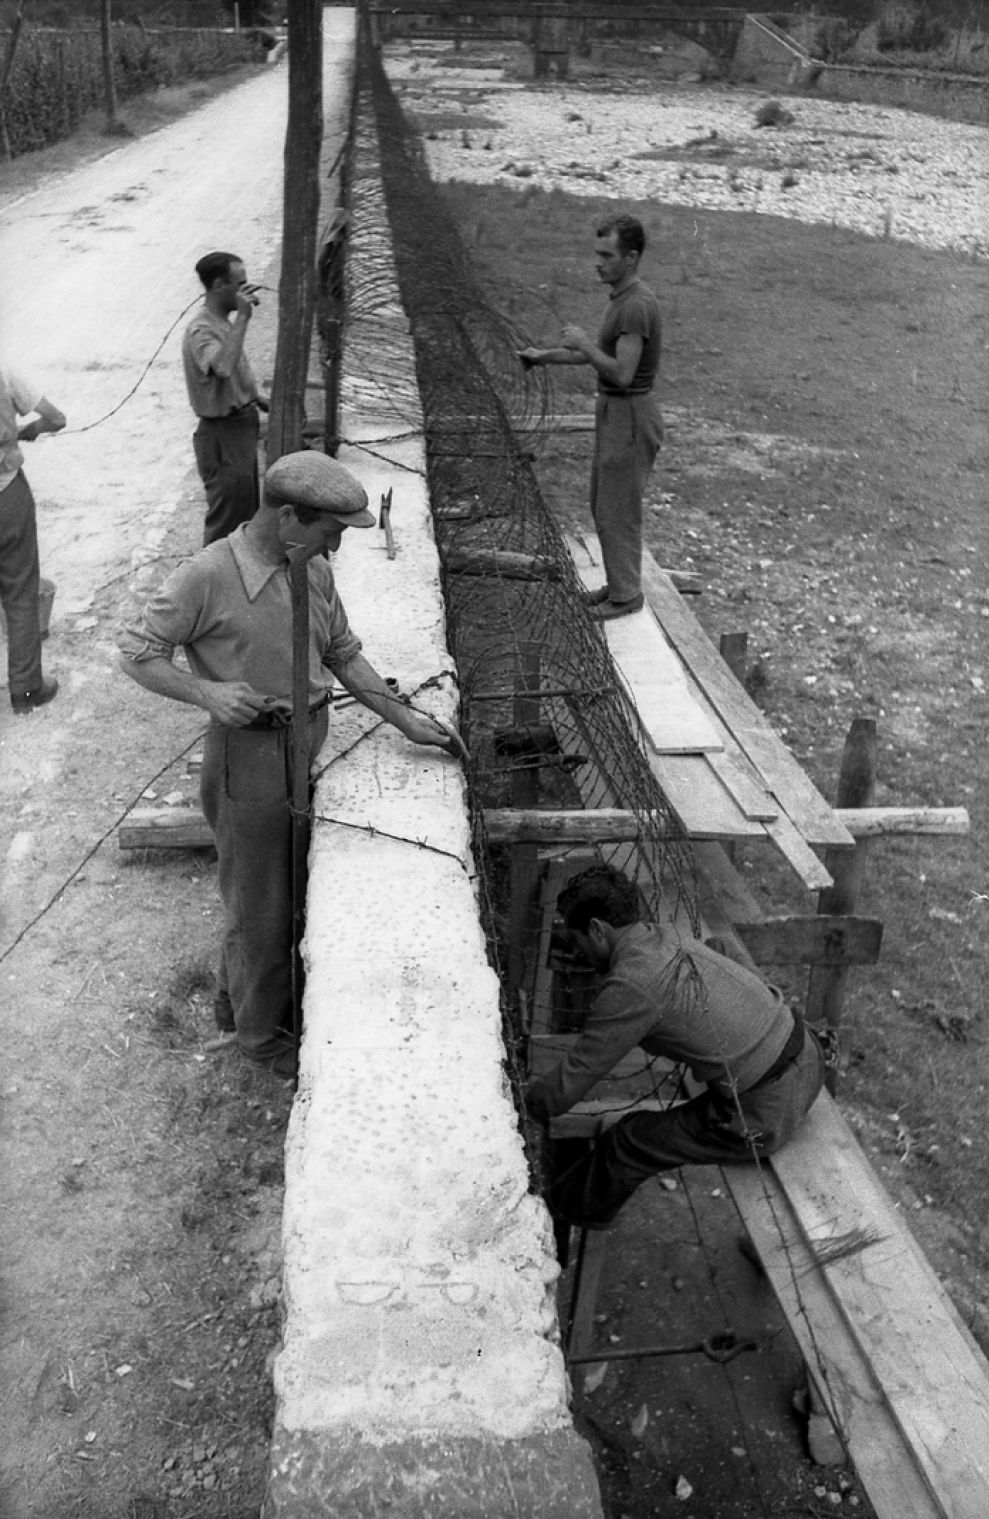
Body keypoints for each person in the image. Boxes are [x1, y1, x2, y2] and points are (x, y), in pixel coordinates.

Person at [118, 451, 457, 1077]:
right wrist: (207, 692)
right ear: (289, 517)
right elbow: (137, 651)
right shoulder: (207, 576)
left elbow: (343, 652)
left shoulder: (313, 568)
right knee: (262, 907)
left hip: (305, 743)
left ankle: (236, 1004)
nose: (338, 544)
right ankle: (261, 1040)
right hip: (248, 756)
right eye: (331, 529)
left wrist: (407, 720)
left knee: (280, 890)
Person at [526, 865, 825, 1229]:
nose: (582, 955)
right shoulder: (665, 936)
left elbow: (568, 1086)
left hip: (768, 1114)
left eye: (578, 943)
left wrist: (519, 1106)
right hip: (809, 1054)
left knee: (627, 1142)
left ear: (596, 929)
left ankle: (544, 1223)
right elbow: (715, 957)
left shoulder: (631, 986)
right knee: (720, 950)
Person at [517, 214, 664, 621]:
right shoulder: (622, 298)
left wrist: (582, 341)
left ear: (631, 258)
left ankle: (626, 596)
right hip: (615, 411)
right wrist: (544, 356)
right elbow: (597, 356)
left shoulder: (636, 306)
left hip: (630, 414)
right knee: (604, 504)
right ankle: (619, 586)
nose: (597, 262)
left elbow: (622, 372)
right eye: (596, 253)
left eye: (607, 255)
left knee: (618, 507)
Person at [182, 250, 270, 546]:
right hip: (223, 434)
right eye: (239, 284)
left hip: (241, 429)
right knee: (226, 527)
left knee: (244, 518)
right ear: (219, 285)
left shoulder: (222, 323)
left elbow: (229, 378)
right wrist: (244, 316)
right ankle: (205, 586)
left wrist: (256, 397)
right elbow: (221, 367)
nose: (246, 290)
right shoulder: (202, 329)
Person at [0, 364, 66, 714]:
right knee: (21, 593)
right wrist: (31, 429)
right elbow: (56, 418)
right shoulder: (6, 374)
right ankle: (25, 690)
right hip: (6, 494)